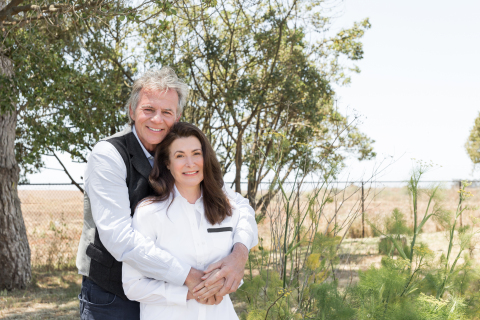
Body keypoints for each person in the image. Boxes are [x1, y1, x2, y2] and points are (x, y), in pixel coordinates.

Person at [76, 67, 258, 319]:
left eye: (167, 112)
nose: (157, 119)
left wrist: (239, 254)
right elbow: (119, 237)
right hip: (113, 294)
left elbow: (238, 206)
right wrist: (188, 276)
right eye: (148, 110)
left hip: (172, 295)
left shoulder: (185, 157)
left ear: (178, 116)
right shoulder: (108, 155)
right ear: (131, 111)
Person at [123, 122, 244, 319]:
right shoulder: (149, 213)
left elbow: (236, 271)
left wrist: (222, 283)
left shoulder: (227, 208)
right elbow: (133, 285)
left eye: (196, 153)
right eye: (180, 156)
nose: (190, 163)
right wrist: (189, 293)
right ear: (167, 163)